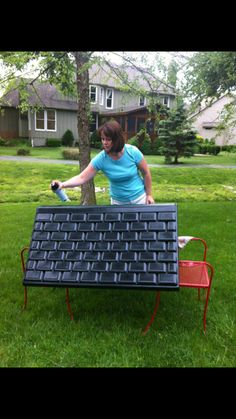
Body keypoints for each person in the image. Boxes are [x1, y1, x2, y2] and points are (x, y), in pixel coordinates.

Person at [51, 120, 155, 205]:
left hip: (140, 199)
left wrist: (149, 195)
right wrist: (62, 184)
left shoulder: (133, 152)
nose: (104, 143)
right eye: (103, 139)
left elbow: (146, 173)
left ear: (117, 139)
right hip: (118, 203)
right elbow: (82, 177)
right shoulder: (101, 159)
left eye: (108, 139)